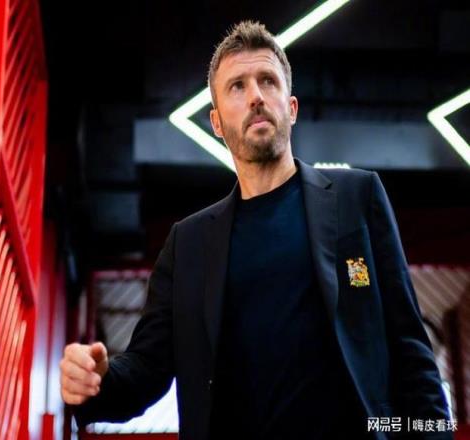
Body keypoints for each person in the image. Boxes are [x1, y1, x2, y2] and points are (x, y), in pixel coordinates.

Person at [60, 21, 452, 440]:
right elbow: (145, 370)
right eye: (237, 86)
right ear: (215, 122)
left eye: (268, 81)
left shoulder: (357, 198)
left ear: (291, 107)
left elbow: (410, 349)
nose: (256, 96)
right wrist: (95, 380)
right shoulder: (188, 246)